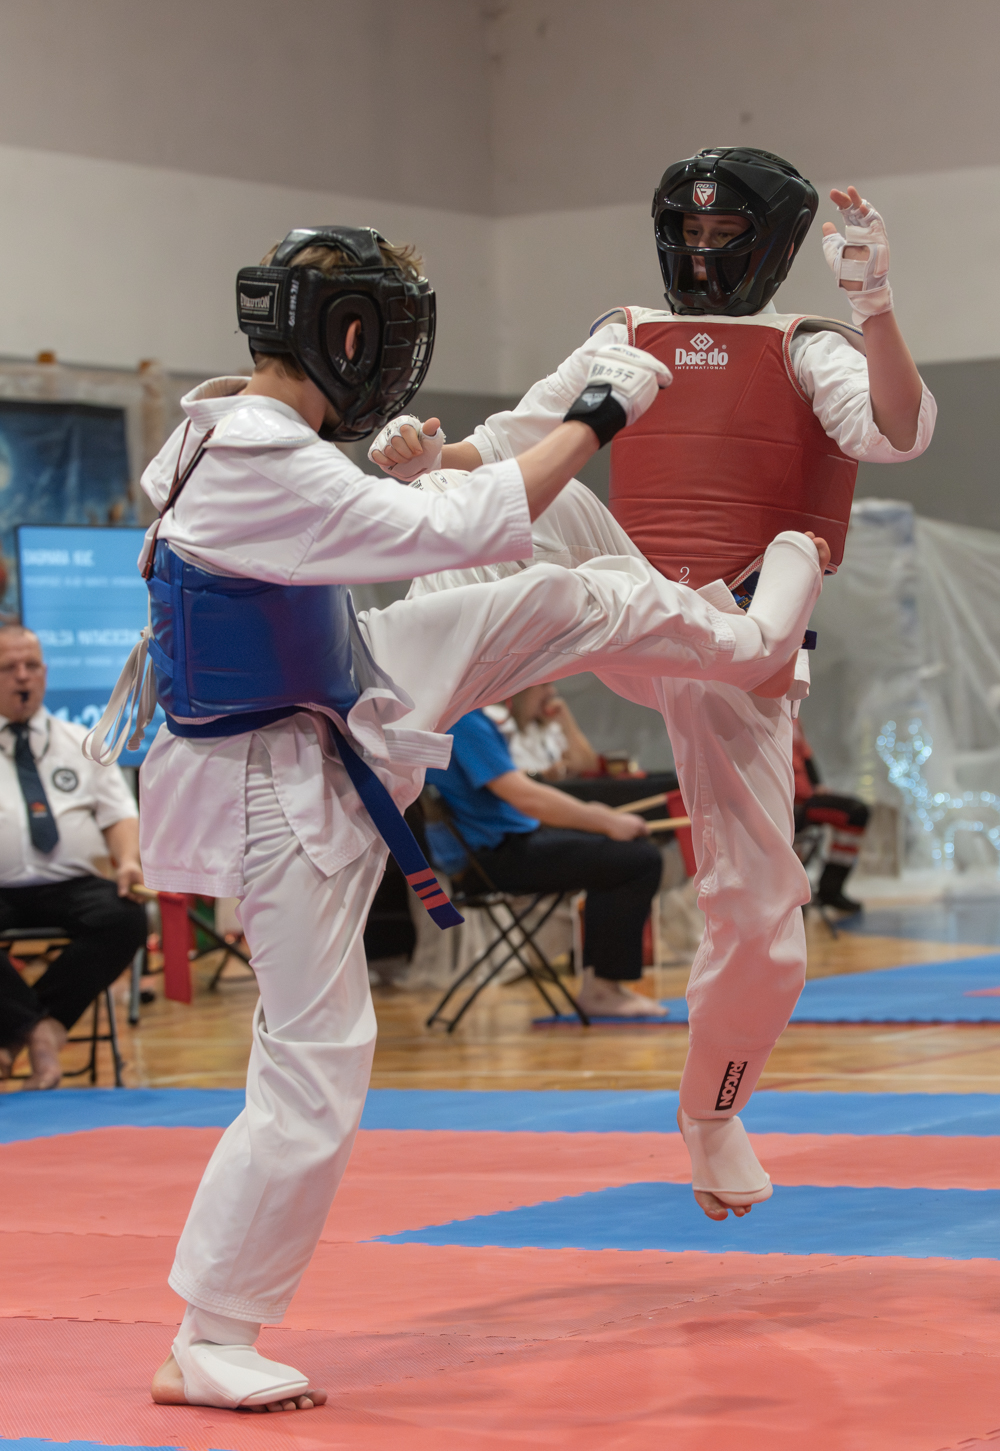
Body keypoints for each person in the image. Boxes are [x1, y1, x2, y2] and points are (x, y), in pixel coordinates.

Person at [89, 225, 827, 1413]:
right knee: (316, 1059)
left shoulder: (218, 428)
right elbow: (452, 526)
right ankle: (210, 1336)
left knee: (560, 596)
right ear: (349, 337)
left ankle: (746, 641)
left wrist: (419, 464)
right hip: (283, 774)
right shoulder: (255, 455)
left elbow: (388, 514)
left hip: (343, 686)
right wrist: (595, 415)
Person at [370, 148, 935, 1225]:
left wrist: (873, 306)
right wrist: (422, 459)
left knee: (763, 917)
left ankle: (712, 1113)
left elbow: (897, 432)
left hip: (739, 654)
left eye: (726, 237)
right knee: (489, 507)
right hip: (635, 593)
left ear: (771, 245)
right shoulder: (625, 332)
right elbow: (508, 447)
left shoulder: (809, 345)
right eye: (689, 233)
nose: (702, 255)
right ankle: (390, 737)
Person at [429, 706, 662, 1017]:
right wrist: (604, 820)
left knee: (622, 857)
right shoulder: (464, 720)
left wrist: (601, 820)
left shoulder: (457, 717)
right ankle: (602, 991)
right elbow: (525, 798)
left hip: (491, 852)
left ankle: (603, 986)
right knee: (638, 860)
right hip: (491, 858)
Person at [0, 625, 145, 1089]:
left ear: (45, 673)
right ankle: (36, 1033)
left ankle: (29, 1032)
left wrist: (128, 861)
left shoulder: (83, 742)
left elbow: (120, 815)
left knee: (126, 916)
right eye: (9, 667)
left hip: (71, 886)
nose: (23, 676)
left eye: (31, 666)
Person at [793, 717, 869, 914]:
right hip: (789, 802)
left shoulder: (793, 717)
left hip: (807, 799)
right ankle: (822, 891)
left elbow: (806, 755)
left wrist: (818, 785)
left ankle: (831, 888)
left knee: (857, 813)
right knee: (855, 814)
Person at [489, 683, 599, 780]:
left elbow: (587, 766)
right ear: (522, 688)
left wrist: (566, 720)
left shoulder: (544, 725)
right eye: (544, 685)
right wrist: (542, 775)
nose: (552, 691)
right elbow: (493, 772)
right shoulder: (493, 720)